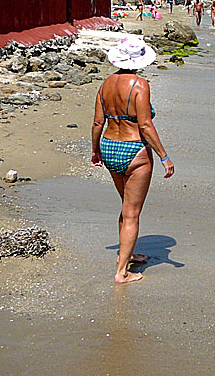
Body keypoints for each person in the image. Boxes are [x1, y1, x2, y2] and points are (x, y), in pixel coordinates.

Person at [91, 36, 174, 284]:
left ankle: (126, 256)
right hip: (134, 149)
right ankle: (121, 273)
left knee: (126, 207)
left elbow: (97, 122)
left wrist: (95, 150)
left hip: (109, 146)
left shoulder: (106, 84)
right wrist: (164, 157)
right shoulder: (140, 85)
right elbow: (145, 125)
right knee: (132, 214)